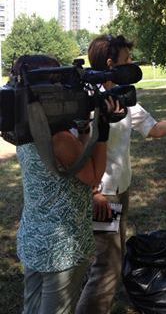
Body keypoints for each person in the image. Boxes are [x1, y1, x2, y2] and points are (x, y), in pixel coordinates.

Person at [76, 35, 166, 314]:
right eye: (127, 60)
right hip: (103, 194)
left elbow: (154, 128)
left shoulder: (124, 97)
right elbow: (80, 152)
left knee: (113, 255)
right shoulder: (88, 102)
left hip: (121, 190)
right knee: (108, 265)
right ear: (111, 64)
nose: (132, 65)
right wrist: (95, 192)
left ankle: (102, 297)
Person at [13, 54, 116, 314]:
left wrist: (82, 128)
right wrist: (101, 133)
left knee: (31, 307)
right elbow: (93, 175)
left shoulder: (24, 128)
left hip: (34, 238)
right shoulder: (59, 138)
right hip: (61, 246)